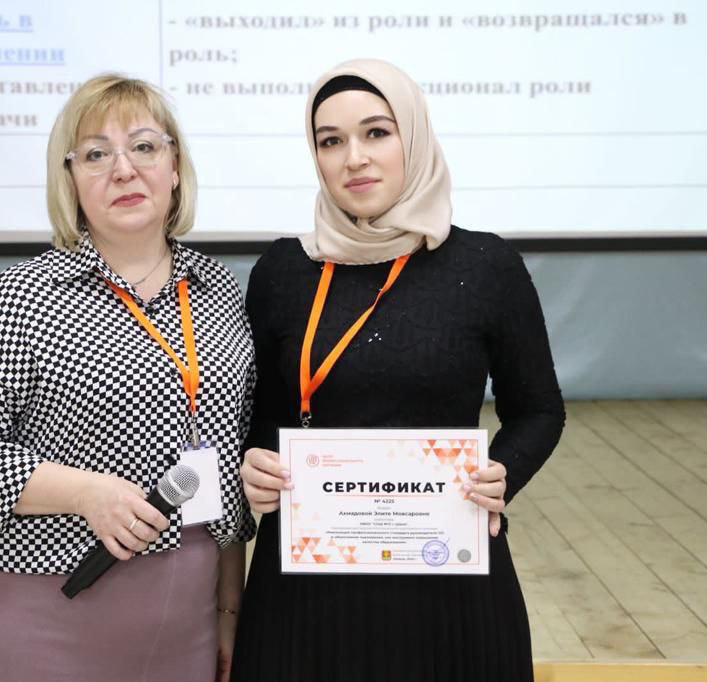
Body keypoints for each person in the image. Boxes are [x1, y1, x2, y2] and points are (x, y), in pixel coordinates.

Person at [231, 59, 565, 681]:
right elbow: (262, 420)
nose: (353, 158)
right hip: (308, 588)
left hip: (449, 575)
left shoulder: (486, 265)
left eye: (376, 133)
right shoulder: (283, 271)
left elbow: (540, 410)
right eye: (331, 141)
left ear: (413, 136)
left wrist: (504, 473)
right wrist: (256, 464)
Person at [0, 74, 255, 682]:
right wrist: (85, 494)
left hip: (189, 606)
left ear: (175, 167)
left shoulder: (219, 291)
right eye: (96, 154)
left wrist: (230, 606)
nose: (123, 170)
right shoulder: (21, 296)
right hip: (49, 604)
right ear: (70, 180)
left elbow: (223, 464)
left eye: (144, 147)